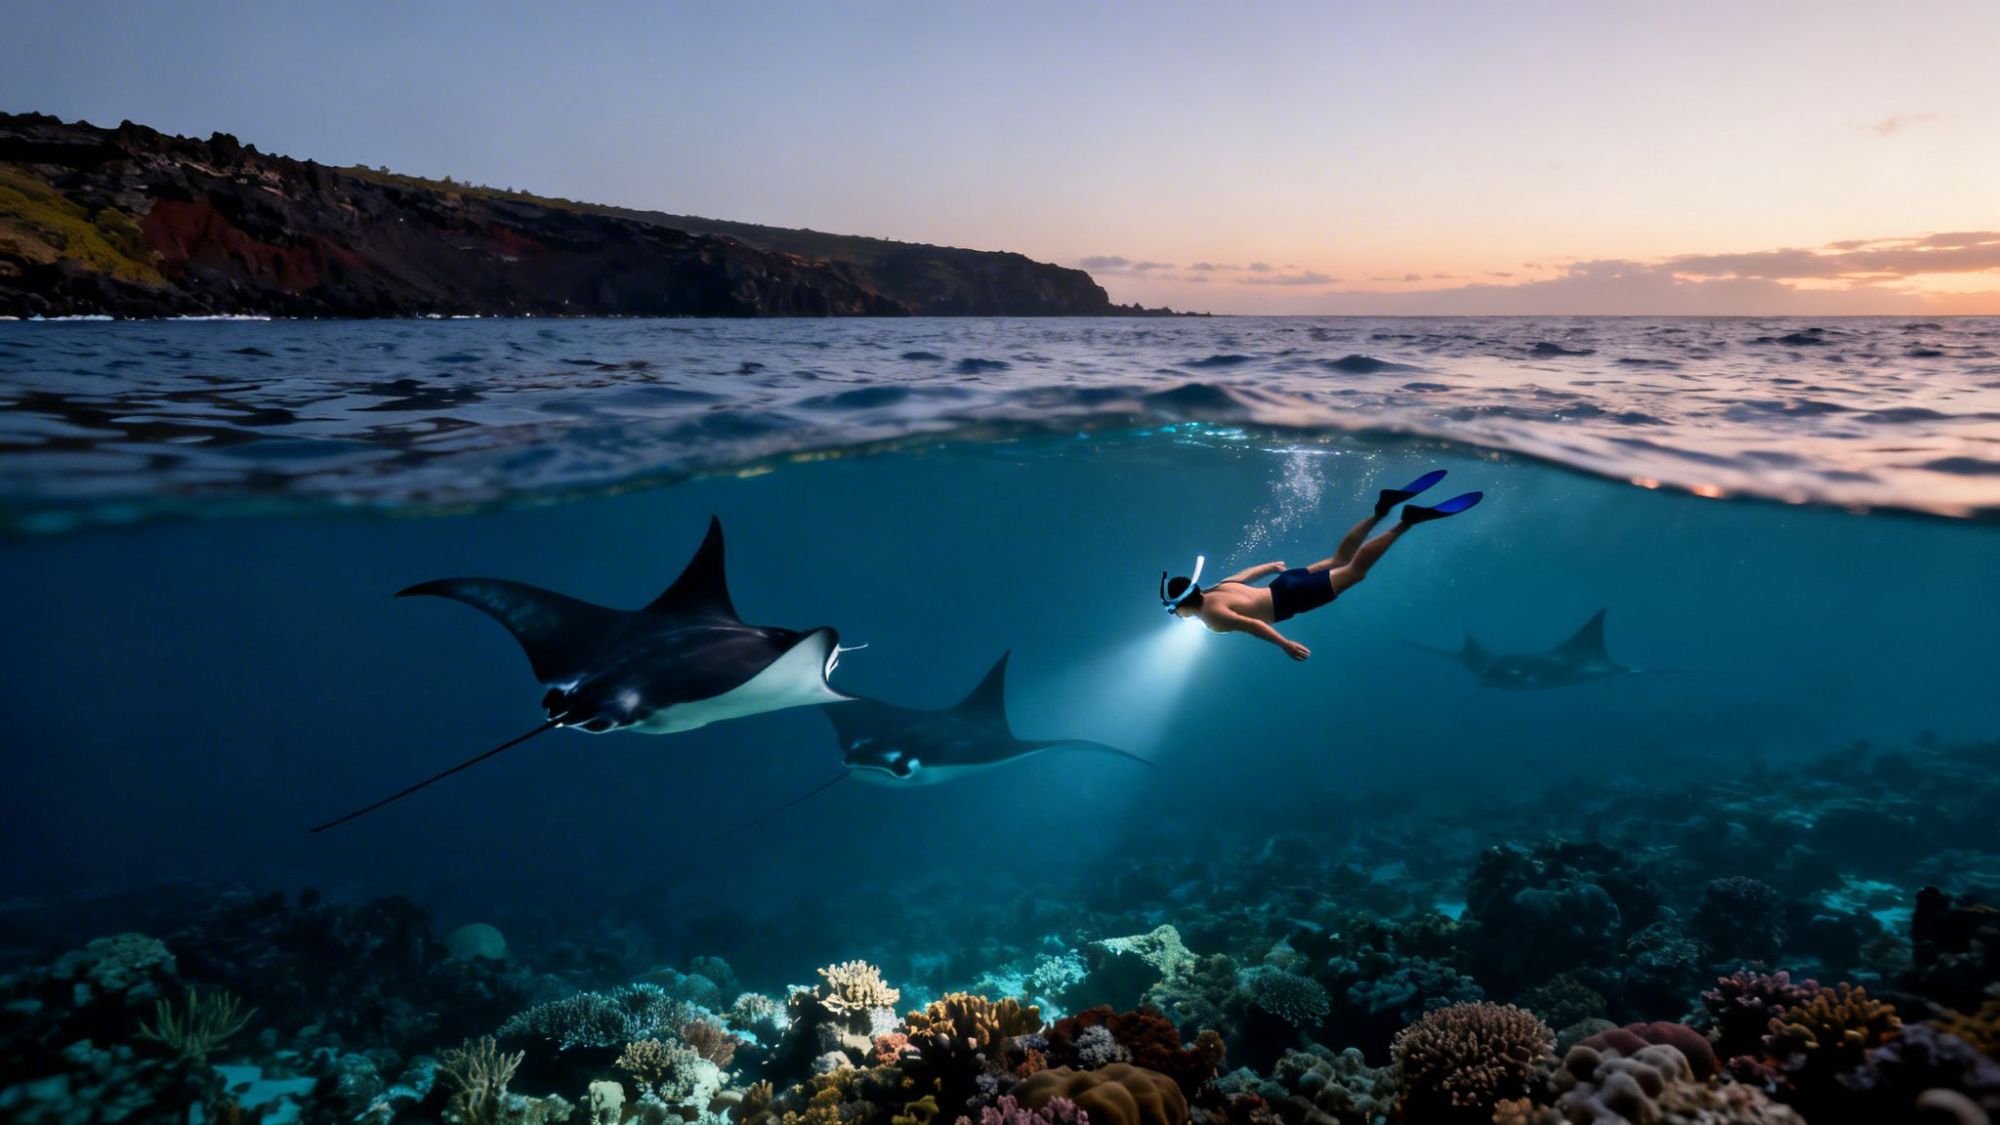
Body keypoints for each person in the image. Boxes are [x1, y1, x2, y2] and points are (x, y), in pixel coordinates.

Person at [1158, 470, 1480, 661]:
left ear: (1183, 605)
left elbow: (1252, 625)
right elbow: (1245, 575)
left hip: (1292, 598)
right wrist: (1271, 566)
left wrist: (1284, 645)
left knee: (1355, 572)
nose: (1179, 617)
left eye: (1175, 611)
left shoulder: (1212, 616)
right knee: (1340, 560)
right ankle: (1381, 511)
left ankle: (1404, 523)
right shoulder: (1215, 589)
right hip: (1283, 584)